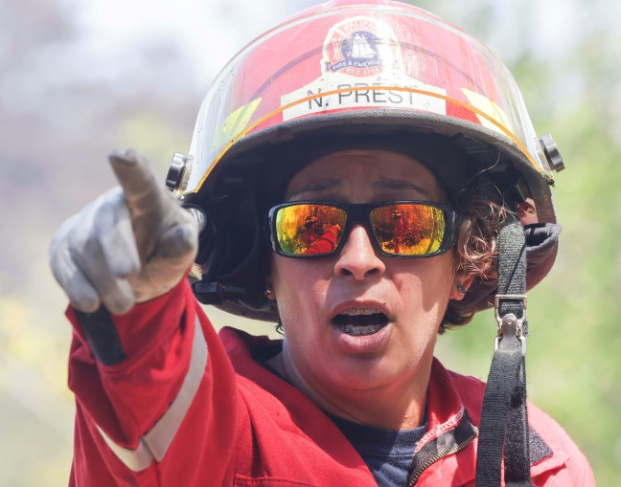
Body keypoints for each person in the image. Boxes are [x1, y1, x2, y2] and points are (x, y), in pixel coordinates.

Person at [49, 1, 595, 485]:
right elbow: (148, 413)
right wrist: (137, 312)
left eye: (407, 224)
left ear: (467, 261)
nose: (358, 261)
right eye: (311, 226)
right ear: (266, 263)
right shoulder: (212, 435)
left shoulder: (536, 466)